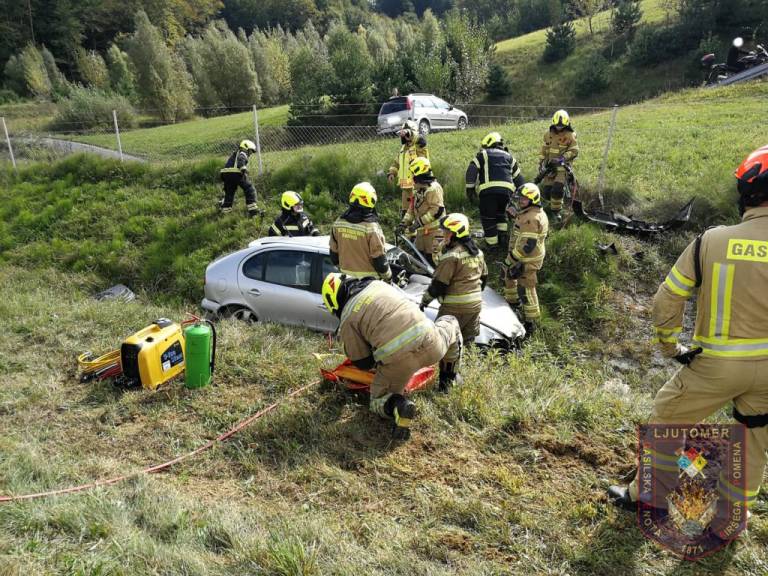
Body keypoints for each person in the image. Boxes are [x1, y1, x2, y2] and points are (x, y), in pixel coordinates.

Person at [608, 145, 768, 524]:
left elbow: (668, 298)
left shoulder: (712, 241)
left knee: (666, 418)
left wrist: (671, 346)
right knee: (752, 438)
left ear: (747, 191)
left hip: (715, 366)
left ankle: (650, 498)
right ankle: (732, 517)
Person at [322, 272, 463, 439]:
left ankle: (400, 406)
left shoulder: (347, 318)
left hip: (399, 364)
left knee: (377, 401)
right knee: (451, 322)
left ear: (333, 303)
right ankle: (448, 380)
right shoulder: (378, 285)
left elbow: (363, 363)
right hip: (432, 344)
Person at [420, 213, 488, 347]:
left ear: (455, 234)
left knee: (442, 342)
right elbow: (484, 277)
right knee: (468, 341)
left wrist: (424, 302)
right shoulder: (478, 253)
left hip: (454, 308)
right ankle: (468, 360)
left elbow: (439, 285)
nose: (444, 235)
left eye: (446, 232)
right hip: (475, 306)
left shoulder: (451, 257)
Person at [465, 131, 525, 250]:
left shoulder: (483, 154)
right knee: (501, 214)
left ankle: (492, 245)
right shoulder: (510, 157)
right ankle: (502, 237)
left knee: (489, 218)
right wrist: (524, 194)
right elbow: (519, 179)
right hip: (506, 193)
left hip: (488, 193)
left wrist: (470, 190)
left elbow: (472, 170)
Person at [504, 183, 549, 337]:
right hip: (522, 256)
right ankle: (513, 305)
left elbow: (527, 245)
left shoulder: (531, 218)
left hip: (527, 259)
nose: (521, 201)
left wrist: (511, 259)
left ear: (533, 199)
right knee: (509, 277)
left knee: (526, 289)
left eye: (524, 198)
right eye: (520, 198)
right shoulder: (530, 212)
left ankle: (531, 324)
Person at [329, 182, 392, 281]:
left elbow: (333, 254)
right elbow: (379, 261)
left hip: (346, 281)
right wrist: (388, 277)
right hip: (369, 282)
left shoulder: (338, 223)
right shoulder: (372, 228)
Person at [399, 157, 445, 266]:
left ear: (420, 176)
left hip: (435, 233)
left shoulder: (433, 189)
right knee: (419, 261)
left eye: (413, 175)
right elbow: (411, 209)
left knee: (434, 262)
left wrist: (418, 223)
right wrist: (403, 223)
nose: (412, 178)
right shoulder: (418, 190)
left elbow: (437, 210)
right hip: (422, 234)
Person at [539, 110, 579, 221]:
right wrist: (541, 163)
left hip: (562, 168)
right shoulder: (548, 135)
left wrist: (563, 158)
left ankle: (556, 213)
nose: (559, 127)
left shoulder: (570, 135)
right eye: (557, 125)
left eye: (561, 126)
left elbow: (574, 151)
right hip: (549, 168)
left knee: (557, 190)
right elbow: (544, 150)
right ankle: (549, 210)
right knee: (547, 191)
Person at [388, 120, 429, 217]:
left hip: (417, 185)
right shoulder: (403, 149)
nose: (404, 137)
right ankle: (406, 226)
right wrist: (392, 173)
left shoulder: (419, 146)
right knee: (406, 213)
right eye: (403, 135)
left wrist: (410, 133)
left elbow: (419, 139)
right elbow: (396, 162)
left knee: (418, 210)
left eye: (407, 134)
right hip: (405, 186)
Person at [219, 139, 262, 217]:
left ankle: (226, 211)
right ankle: (253, 211)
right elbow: (241, 159)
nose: (250, 154)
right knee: (249, 188)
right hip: (235, 173)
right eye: (250, 151)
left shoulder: (235, 154)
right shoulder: (242, 153)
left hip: (225, 174)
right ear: (246, 148)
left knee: (229, 192)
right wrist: (243, 168)